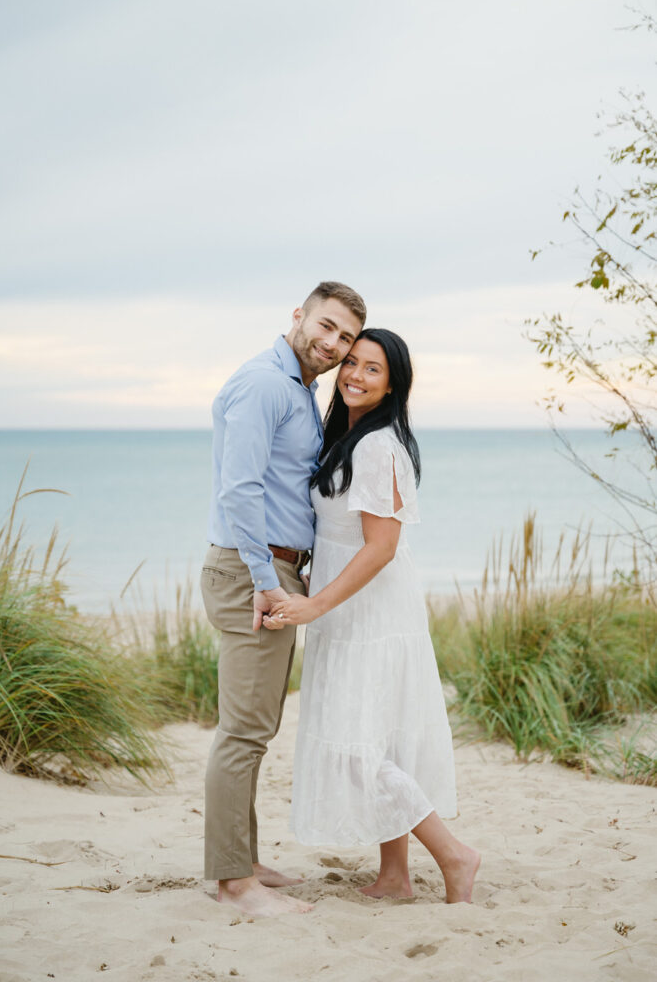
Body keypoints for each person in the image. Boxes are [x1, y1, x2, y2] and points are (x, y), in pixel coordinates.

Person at [269, 328, 480, 904]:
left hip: (371, 616)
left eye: (373, 370)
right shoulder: (352, 437)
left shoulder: (377, 445)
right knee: (376, 741)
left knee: (358, 751)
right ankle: (394, 877)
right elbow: (345, 533)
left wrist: (313, 602)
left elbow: (381, 546)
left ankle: (455, 856)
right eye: (352, 364)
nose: (355, 376)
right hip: (350, 607)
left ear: (393, 386)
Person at [201, 282, 366, 918]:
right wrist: (266, 581)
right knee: (243, 733)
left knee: (254, 729)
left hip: (273, 570)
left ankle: (242, 860)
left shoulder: (298, 388)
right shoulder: (267, 384)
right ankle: (232, 884)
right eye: (325, 326)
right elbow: (238, 489)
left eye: (345, 338)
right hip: (255, 574)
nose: (331, 344)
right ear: (298, 316)